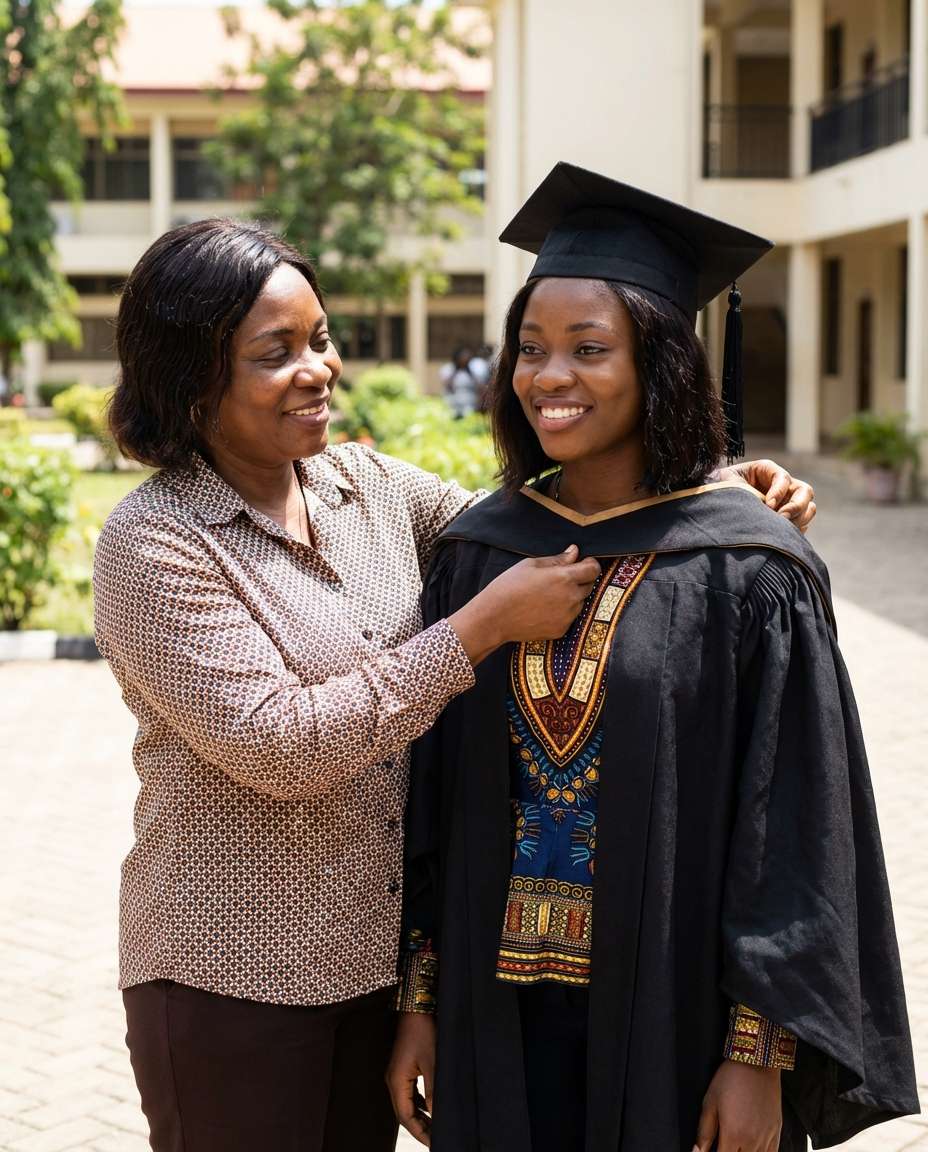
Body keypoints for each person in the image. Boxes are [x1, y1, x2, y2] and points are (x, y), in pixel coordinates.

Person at [94, 217, 814, 1152]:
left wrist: (716, 492)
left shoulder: (364, 488)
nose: (318, 369)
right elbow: (280, 745)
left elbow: (560, 521)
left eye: (320, 339)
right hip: (232, 984)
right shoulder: (155, 542)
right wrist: (476, 630)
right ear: (189, 373)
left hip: (373, 977)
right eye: (276, 353)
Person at [387, 164, 917, 1152]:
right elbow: (431, 802)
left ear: (659, 363)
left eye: (590, 349)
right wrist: (418, 1005)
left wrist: (758, 1055)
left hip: (679, 1024)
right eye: (531, 349)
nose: (551, 376)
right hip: (493, 1020)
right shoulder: (480, 553)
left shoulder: (749, 568)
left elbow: (795, 828)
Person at [440, 345, 486, 418]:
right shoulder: (449, 369)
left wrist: (470, 373)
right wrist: (455, 371)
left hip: (470, 405)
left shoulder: (474, 368)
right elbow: (447, 386)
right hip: (453, 404)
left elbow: (481, 387)